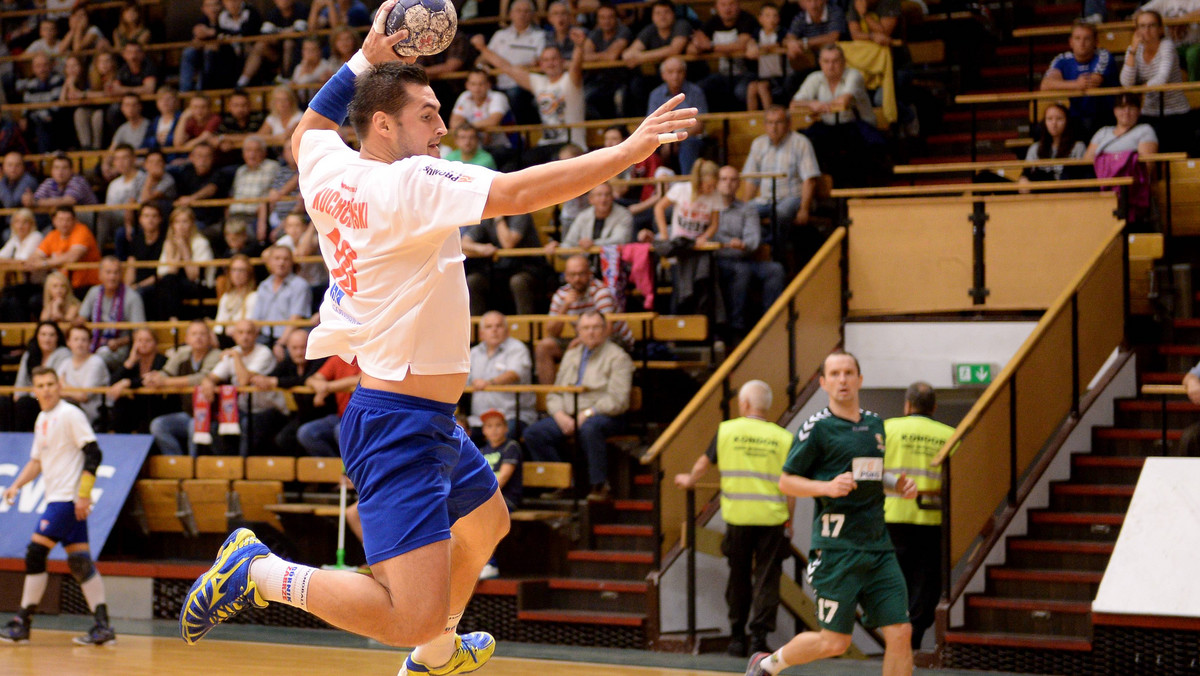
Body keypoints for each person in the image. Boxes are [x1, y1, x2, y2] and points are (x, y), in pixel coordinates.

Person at [177, 16, 695, 676]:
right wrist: (628, 151)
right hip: (399, 423)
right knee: (408, 612)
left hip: (418, 415)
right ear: (385, 126)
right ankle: (262, 574)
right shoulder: (409, 184)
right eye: (428, 115)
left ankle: (434, 654)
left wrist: (363, 57)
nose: (441, 130)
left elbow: (306, 129)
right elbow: (518, 191)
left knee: (486, 526)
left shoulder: (330, 169)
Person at [745, 351, 918, 676]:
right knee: (834, 642)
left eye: (849, 372)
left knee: (901, 633)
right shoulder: (817, 428)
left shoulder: (875, 424)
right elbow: (786, 481)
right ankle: (767, 664)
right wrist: (826, 487)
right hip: (838, 550)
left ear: (860, 380)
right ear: (824, 383)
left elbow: (871, 473)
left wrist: (897, 484)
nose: (843, 379)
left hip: (879, 549)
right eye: (835, 374)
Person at [675, 380, 793, 657]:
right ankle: (759, 640)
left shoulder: (726, 431)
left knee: (738, 578)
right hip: (772, 520)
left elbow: (705, 462)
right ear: (766, 405)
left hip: (738, 518)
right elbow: (790, 487)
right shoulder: (783, 437)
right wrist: (789, 523)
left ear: (744, 404)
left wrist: (689, 479)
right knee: (767, 579)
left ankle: (737, 638)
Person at [0, 367, 116, 645]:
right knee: (79, 562)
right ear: (34, 390)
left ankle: (22, 621)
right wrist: (16, 485)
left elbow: (93, 453)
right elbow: (37, 461)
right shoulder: (42, 418)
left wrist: (84, 494)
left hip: (66, 500)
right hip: (61, 499)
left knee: (35, 553)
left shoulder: (70, 414)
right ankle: (103, 626)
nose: (47, 389)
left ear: (60, 386)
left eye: (51, 384)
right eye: (41, 385)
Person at [524, 311, 633, 501]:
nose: (591, 333)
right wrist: (559, 414)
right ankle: (563, 484)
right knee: (534, 433)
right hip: (568, 413)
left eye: (596, 327)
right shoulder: (572, 354)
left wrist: (588, 413)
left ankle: (600, 486)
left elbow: (619, 400)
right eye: (586, 328)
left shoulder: (618, 357)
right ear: (578, 331)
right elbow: (555, 392)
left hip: (605, 414)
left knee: (590, 428)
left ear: (606, 330)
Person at [883, 381, 954, 650]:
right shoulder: (950, 435)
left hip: (894, 517)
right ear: (934, 407)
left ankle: (896, 636)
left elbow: (872, 470)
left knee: (894, 579)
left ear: (907, 405)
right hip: (932, 520)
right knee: (925, 582)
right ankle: (913, 640)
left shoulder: (888, 429)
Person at [471, 37, 587, 164]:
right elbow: (507, 68)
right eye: (546, 60)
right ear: (541, 64)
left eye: (554, 59)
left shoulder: (569, 80)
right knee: (524, 160)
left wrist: (579, 47)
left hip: (571, 143)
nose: (550, 63)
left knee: (562, 158)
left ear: (563, 61)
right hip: (547, 143)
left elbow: (576, 67)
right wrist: (482, 48)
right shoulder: (539, 82)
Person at [713, 165, 785, 340]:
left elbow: (753, 242)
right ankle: (736, 327)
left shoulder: (747, 209)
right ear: (716, 183)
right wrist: (731, 244)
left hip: (743, 258)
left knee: (775, 270)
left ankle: (770, 324)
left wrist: (738, 245)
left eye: (733, 179)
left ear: (739, 184)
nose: (728, 184)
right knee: (741, 271)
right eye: (723, 179)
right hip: (717, 261)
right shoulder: (707, 207)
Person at [536, 254, 633, 383]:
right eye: (572, 275)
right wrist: (564, 307)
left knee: (589, 344)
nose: (577, 279)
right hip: (584, 338)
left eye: (581, 274)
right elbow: (552, 332)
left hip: (614, 339)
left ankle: (588, 396)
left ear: (589, 274)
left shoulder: (600, 291)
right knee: (544, 347)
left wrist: (581, 341)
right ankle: (549, 398)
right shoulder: (561, 295)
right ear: (566, 276)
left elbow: (607, 329)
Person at [200, 319, 282, 456]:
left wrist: (236, 356)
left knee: (246, 424)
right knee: (214, 426)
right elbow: (212, 376)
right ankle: (227, 466)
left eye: (249, 332)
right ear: (234, 335)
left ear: (256, 335)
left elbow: (244, 380)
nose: (245, 336)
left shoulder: (264, 353)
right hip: (242, 409)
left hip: (268, 409)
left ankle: (243, 469)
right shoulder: (233, 352)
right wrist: (208, 382)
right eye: (241, 332)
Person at [145, 320, 222, 457]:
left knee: (195, 425)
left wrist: (166, 382)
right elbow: (167, 372)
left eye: (202, 334)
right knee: (158, 425)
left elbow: (201, 378)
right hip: (188, 413)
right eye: (194, 334)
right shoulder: (183, 353)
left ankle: (193, 466)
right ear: (187, 339)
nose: (198, 337)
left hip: (213, 416)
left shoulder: (216, 355)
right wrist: (154, 378)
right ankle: (177, 462)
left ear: (210, 338)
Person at [741, 105, 822, 233]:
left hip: (792, 198)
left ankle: (778, 251)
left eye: (778, 122)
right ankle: (761, 244)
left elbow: (810, 179)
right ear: (764, 125)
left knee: (781, 212)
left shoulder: (801, 142)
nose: (774, 127)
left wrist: (804, 209)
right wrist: (744, 207)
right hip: (765, 200)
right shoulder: (758, 144)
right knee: (744, 213)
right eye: (770, 123)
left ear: (788, 124)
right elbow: (751, 180)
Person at [1120, 9, 1191, 152]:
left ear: (1160, 29)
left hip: (1176, 113)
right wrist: (1133, 50)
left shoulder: (1167, 46)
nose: (1146, 30)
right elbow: (1126, 83)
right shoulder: (1133, 50)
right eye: (1142, 26)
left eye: (1151, 25)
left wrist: (1140, 89)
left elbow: (1161, 79)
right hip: (1148, 112)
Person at [1040, 20, 1118, 138]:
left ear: (1095, 42)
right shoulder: (1062, 59)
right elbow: (1045, 85)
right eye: (1077, 38)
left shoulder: (1103, 55)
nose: (1082, 43)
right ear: (1071, 42)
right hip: (1075, 115)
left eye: (1087, 39)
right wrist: (1076, 84)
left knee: (1088, 125)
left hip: (1104, 114)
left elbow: (1091, 82)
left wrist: (1064, 84)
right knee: (1041, 129)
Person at [461, 212, 545, 316]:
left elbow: (508, 243)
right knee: (473, 281)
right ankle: (477, 328)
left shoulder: (521, 214)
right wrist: (481, 248)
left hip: (525, 267)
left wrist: (498, 218)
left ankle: (525, 327)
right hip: (497, 270)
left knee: (518, 282)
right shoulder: (487, 217)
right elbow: (464, 243)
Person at [468, 311, 535, 436]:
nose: (494, 330)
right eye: (489, 327)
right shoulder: (474, 353)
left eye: (499, 326)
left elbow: (513, 374)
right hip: (479, 418)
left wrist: (488, 383)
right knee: (461, 437)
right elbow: (464, 379)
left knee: (505, 434)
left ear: (507, 331)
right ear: (481, 333)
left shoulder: (517, 349)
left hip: (511, 416)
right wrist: (472, 382)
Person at [476, 407, 523, 580]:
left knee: (485, 516)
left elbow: (502, 478)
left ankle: (491, 564)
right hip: (485, 499)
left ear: (506, 428)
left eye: (498, 425)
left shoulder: (511, 447)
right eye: (489, 426)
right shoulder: (480, 452)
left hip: (507, 499)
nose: (494, 429)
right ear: (483, 430)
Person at [482, 0, 546, 124]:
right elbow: (484, 57)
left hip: (523, 84)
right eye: (518, 11)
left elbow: (538, 61)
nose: (522, 14)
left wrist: (517, 68)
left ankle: (521, 134)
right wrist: (482, 64)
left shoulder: (540, 36)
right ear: (511, 14)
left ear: (533, 15)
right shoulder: (500, 35)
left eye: (526, 11)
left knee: (514, 95)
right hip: (498, 83)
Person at [78, 256, 147, 372]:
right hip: (94, 343)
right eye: (108, 272)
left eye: (116, 273)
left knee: (96, 360)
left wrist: (119, 342)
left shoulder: (132, 297)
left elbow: (140, 332)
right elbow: (81, 320)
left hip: (119, 349)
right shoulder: (93, 292)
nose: (112, 277)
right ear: (100, 274)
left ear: (121, 275)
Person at [689, 0, 759, 112]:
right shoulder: (712, 22)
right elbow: (692, 49)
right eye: (723, 5)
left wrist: (710, 46)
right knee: (698, 89)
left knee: (741, 92)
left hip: (747, 73)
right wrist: (697, 45)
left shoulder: (747, 19)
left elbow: (741, 45)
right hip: (721, 74)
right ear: (716, 7)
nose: (727, 9)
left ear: (738, 5)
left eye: (731, 4)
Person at [648, 57, 708, 174]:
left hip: (689, 136)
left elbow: (699, 125)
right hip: (663, 139)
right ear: (663, 75)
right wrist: (666, 140)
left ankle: (688, 183)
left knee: (689, 145)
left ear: (684, 73)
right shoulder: (655, 95)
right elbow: (652, 124)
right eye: (670, 72)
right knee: (647, 146)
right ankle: (656, 188)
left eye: (679, 72)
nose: (675, 76)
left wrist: (676, 139)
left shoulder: (696, 92)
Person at [106, 327, 169, 433]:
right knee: (121, 403)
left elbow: (149, 381)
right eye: (139, 340)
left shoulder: (162, 360)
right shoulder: (134, 363)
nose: (143, 344)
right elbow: (113, 382)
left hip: (156, 406)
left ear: (155, 343)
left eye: (148, 340)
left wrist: (127, 382)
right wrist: (130, 362)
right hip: (136, 407)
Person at [26, 206, 101, 292]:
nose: (64, 223)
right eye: (61, 220)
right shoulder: (53, 235)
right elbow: (35, 256)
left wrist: (44, 263)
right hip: (62, 286)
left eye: (68, 220)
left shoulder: (82, 231)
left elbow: (72, 257)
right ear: (54, 221)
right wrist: (36, 262)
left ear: (74, 220)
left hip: (86, 286)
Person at [297, 355, 361, 457]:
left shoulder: (369, 357)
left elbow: (360, 380)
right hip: (341, 416)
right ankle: (331, 467)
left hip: (361, 418)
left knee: (341, 430)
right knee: (306, 432)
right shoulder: (338, 358)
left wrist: (327, 388)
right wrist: (319, 386)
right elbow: (311, 379)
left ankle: (348, 470)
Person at [249, 245, 311, 347]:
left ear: (291, 262)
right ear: (269, 262)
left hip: (288, 338)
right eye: (277, 258)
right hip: (264, 336)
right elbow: (256, 318)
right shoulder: (264, 285)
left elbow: (295, 319)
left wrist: (281, 343)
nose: (281, 263)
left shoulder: (300, 285)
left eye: (285, 259)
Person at [553, 182, 634, 249]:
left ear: (613, 198)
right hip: (586, 262)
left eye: (607, 195)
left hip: (615, 260)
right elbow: (570, 243)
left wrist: (593, 243)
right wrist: (558, 247)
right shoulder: (583, 216)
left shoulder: (624, 215)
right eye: (599, 195)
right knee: (575, 265)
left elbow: (620, 240)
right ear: (591, 199)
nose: (603, 199)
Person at [1021, 104, 1088, 183]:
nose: (1054, 123)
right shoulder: (1035, 148)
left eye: (1059, 119)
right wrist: (1023, 179)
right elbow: (1026, 174)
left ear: (1067, 121)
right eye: (1049, 119)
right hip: (1042, 191)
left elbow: (1083, 175)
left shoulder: (1078, 147)